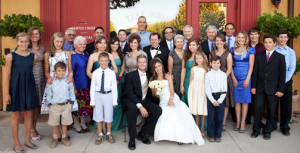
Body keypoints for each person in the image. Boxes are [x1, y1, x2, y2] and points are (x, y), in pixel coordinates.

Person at [151, 58, 204, 146]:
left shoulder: (168, 76)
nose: (158, 68)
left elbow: (172, 90)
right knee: (165, 111)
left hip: (172, 97)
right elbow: (154, 95)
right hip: (162, 99)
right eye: (155, 67)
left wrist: (171, 100)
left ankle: (181, 136)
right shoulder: (152, 79)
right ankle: (169, 135)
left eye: (159, 66)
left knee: (175, 111)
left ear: (162, 66)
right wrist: (155, 89)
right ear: (153, 69)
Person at [5, 32, 38, 152]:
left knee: (29, 114)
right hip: (15, 88)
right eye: (21, 41)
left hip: (29, 87)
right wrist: (6, 93)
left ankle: (27, 140)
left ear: (29, 42)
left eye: (26, 41)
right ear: (17, 42)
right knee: (16, 115)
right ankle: (16, 143)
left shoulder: (32, 57)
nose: (24, 44)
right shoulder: (10, 56)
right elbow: (7, 75)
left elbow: (29, 72)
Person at [41, 32, 76, 141]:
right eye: (57, 41)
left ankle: (64, 134)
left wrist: (70, 77)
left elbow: (70, 69)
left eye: (61, 42)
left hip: (65, 82)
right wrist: (49, 78)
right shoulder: (48, 54)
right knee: (55, 110)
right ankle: (57, 134)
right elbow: (46, 71)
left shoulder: (67, 53)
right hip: (53, 83)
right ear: (53, 41)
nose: (59, 44)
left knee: (64, 108)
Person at [122, 54, 162, 150]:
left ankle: (143, 132)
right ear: (137, 63)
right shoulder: (129, 76)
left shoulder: (150, 75)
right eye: (140, 62)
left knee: (158, 110)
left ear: (146, 63)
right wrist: (140, 106)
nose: (142, 64)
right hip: (131, 100)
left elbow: (161, 78)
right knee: (132, 109)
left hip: (144, 100)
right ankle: (132, 138)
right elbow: (129, 93)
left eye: (144, 62)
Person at [251, 34, 286, 140]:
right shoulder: (260, 56)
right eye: (266, 42)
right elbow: (255, 72)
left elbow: (282, 75)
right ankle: (256, 130)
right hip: (260, 87)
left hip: (273, 88)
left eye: (270, 42)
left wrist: (281, 89)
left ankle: (267, 131)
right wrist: (253, 87)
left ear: (274, 43)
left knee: (271, 110)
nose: (268, 44)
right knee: (257, 108)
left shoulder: (280, 57)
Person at [90, 52, 118, 145]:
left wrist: (114, 100)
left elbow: (114, 87)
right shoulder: (95, 73)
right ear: (98, 61)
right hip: (98, 96)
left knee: (108, 114)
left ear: (109, 61)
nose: (104, 63)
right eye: (102, 61)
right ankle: (100, 134)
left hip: (108, 95)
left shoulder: (111, 73)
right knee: (98, 115)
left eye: (106, 61)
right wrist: (92, 101)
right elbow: (92, 87)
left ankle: (109, 133)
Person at [231, 31, 255, 133]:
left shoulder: (250, 50)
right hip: (236, 78)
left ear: (246, 39)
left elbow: (251, 66)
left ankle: (243, 122)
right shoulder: (232, 50)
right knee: (237, 101)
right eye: (239, 37)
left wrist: (247, 79)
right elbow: (230, 65)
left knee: (244, 101)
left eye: (242, 38)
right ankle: (238, 121)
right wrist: (233, 78)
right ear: (236, 39)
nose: (241, 39)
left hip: (246, 78)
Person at [47, 62, 76, 148]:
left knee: (65, 122)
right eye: (59, 71)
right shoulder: (51, 82)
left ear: (65, 71)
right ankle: (55, 138)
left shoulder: (68, 81)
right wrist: (49, 104)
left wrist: (71, 103)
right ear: (55, 71)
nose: (61, 73)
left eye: (63, 71)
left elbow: (71, 93)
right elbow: (49, 94)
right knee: (55, 123)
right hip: (55, 105)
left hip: (66, 105)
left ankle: (64, 137)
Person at [210, 33, 234, 132]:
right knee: (214, 101)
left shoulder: (228, 54)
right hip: (213, 80)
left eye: (221, 40)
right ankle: (215, 121)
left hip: (225, 79)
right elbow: (209, 67)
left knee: (225, 102)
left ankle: (223, 123)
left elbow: (229, 68)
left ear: (224, 42)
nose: (219, 42)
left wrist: (223, 78)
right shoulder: (212, 53)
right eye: (217, 40)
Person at [274, 30, 296, 136]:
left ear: (287, 38)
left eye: (285, 37)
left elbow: (292, 68)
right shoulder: (273, 49)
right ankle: (273, 124)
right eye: (280, 37)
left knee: (286, 104)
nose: (282, 39)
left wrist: (284, 80)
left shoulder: (291, 52)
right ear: (277, 38)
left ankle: (284, 126)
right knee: (272, 104)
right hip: (274, 81)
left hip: (286, 81)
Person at [28, 26, 45, 141]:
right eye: (33, 34)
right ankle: (31, 130)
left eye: (37, 33)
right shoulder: (26, 49)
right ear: (30, 36)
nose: (35, 35)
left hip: (42, 79)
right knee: (32, 107)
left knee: (38, 106)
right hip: (31, 79)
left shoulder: (43, 48)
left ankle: (34, 127)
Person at [71, 36, 92, 133]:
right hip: (77, 85)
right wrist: (74, 88)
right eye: (80, 44)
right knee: (77, 107)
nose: (82, 46)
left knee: (84, 106)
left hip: (86, 84)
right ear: (75, 45)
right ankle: (76, 124)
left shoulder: (86, 54)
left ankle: (83, 123)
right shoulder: (72, 56)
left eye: (84, 44)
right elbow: (71, 73)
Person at [205, 56, 227, 142]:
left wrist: (220, 100)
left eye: (218, 63)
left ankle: (218, 135)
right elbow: (207, 89)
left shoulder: (223, 75)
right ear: (210, 63)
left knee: (220, 117)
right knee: (211, 117)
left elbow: (225, 89)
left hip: (220, 97)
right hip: (211, 97)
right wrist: (213, 100)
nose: (216, 65)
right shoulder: (208, 75)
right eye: (214, 63)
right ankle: (211, 134)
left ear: (220, 64)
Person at [246, 27, 266, 124]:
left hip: (259, 75)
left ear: (259, 35)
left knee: (258, 98)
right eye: (251, 34)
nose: (253, 36)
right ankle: (247, 117)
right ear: (249, 36)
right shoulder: (246, 46)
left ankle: (258, 119)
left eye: (255, 34)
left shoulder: (263, 47)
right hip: (248, 74)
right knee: (247, 95)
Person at [188, 51, 209, 135]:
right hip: (195, 90)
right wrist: (191, 92)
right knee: (196, 109)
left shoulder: (206, 69)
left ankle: (202, 128)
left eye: (200, 58)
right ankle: (196, 127)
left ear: (203, 59)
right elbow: (191, 81)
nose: (199, 60)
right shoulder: (193, 69)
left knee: (203, 108)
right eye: (197, 58)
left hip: (203, 90)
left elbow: (207, 81)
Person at [108, 37, 125, 131]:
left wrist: (118, 79)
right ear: (110, 44)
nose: (115, 46)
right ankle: (107, 123)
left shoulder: (121, 55)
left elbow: (122, 69)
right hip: (108, 81)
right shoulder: (106, 54)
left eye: (117, 44)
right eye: (113, 44)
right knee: (108, 102)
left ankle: (116, 124)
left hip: (118, 80)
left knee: (117, 102)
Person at [180, 38, 202, 105]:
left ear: (198, 46)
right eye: (190, 45)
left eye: (193, 45)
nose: (191, 47)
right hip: (187, 81)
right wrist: (181, 85)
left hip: (199, 82)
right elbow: (183, 70)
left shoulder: (202, 56)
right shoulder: (186, 56)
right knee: (189, 100)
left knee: (197, 101)